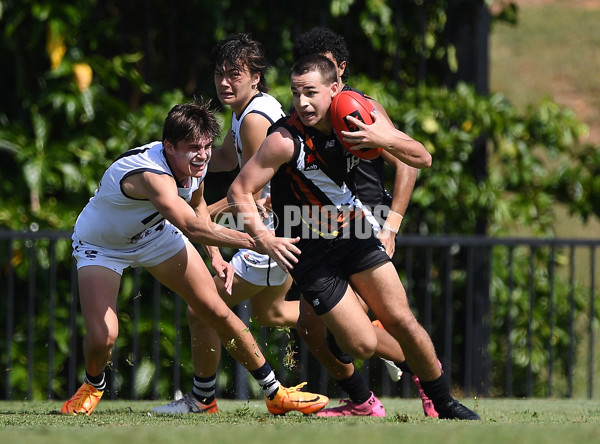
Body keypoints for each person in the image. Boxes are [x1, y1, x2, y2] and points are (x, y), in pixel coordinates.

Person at [227, 54, 480, 420]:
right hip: (311, 254)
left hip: (357, 234)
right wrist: (264, 239)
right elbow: (239, 191)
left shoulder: (356, 117)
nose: (303, 103)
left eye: (311, 92)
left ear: (335, 88)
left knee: (402, 320)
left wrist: (383, 136)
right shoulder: (284, 140)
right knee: (360, 343)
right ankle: (357, 378)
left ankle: (445, 404)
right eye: (296, 93)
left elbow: (421, 158)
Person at [61, 99, 328, 416]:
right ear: (168, 147)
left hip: (155, 236)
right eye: (192, 147)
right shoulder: (152, 175)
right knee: (105, 336)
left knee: (215, 309)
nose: (202, 155)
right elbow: (191, 226)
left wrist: (215, 257)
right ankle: (94, 383)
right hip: (101, 245)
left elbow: (198, 206)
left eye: (206, 146)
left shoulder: (195, 166)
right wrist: (260, 240)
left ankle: (274, 393)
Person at [291, 26, 439, 417]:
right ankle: (363, 400)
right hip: (326, 227)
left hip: (364, 221)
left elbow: (409, 161)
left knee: (362, 329)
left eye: (327, 69)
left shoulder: (358, 106)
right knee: (312, 326)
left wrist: (391, 225)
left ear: (340, 72)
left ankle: (425, 378)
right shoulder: (305, 116)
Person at [152, 34, 299, 415]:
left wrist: (202, 210)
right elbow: (225, 158)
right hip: (281, 226)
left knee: (200, 309)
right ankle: (361, 326)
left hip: (270, 232)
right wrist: (170, 157)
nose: (224, 82)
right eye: (220, 74)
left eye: (235, 74)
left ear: (256, 77)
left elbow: (249, 193)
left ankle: (202, 399)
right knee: (274, 314)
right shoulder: (246, 112)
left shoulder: (252, 119)